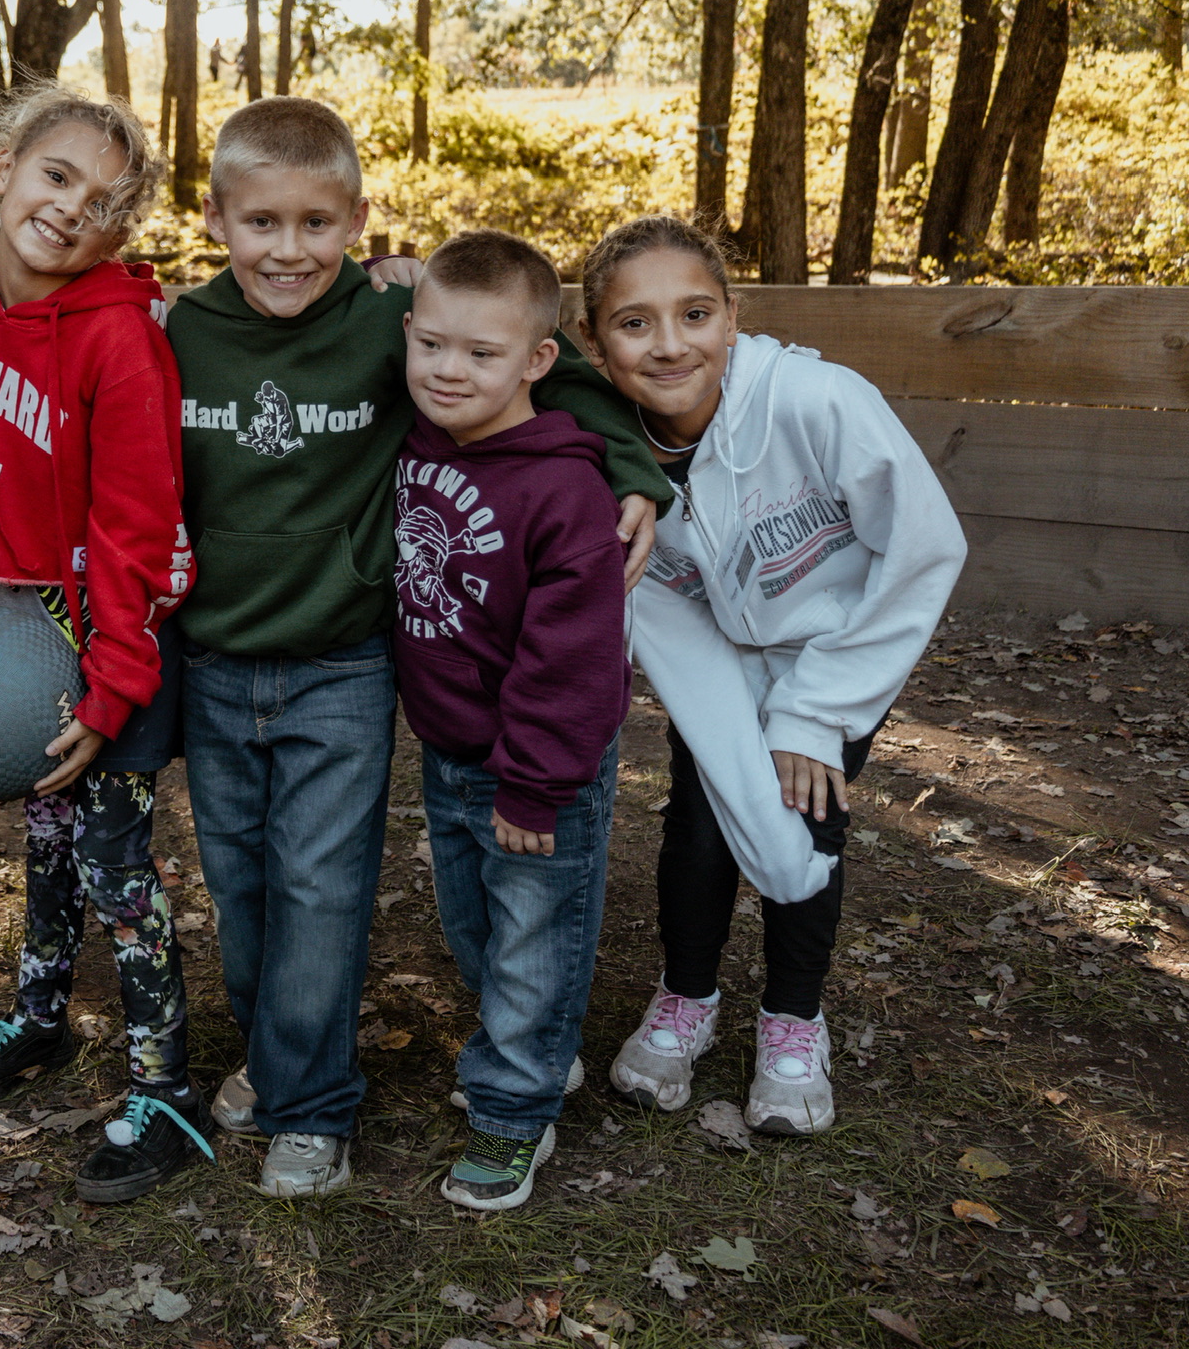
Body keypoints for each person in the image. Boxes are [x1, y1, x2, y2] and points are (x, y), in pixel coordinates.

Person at [162, 97, 670, 1198]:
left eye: (314, 224)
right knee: (238, 882)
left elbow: (549, 372)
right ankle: (276, 1052)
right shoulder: (184, 331)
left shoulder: (387, 323)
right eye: (261, 223)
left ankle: (312, 1109)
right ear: (214, 217)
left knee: (318, 885)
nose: (286, 250)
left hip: (343, 659)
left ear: (354, 223)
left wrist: (633, 470)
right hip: (214, 661)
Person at [580, 215, 964, 1136]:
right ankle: (688, 996)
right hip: (713, 655)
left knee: (805, 810)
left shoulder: (817, 402)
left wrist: (817, 710)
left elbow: (922, 547)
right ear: (595, 343)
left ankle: (794, 1017)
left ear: (734, 316)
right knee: (702, 824)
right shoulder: (595, 440)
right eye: (634, 324)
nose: (670, 345)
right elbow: (494, 346)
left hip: (834, 656)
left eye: (696, 314)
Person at [0, 84, 207, 1204]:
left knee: (115, 858)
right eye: (58, 175)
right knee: (43, 839)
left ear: (125, 233)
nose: (74, 208)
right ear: (1, 167)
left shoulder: (120, 338)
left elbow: (138, 522)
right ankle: (38, 1019)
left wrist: (116, 679)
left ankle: (163, 1082)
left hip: (101, 636)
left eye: (107, 202)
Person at [392, 230, 630, 1211]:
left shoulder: (563, 489)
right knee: (476, 928)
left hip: (537, 764)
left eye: (483, 355)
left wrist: (534, 778)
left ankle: (512, 1112)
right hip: (449, 750)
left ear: (539, 362)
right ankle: (536, 1046)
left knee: (534, 933)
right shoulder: (422, 440)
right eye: (433, 346)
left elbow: (572, 658)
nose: (451, 371)